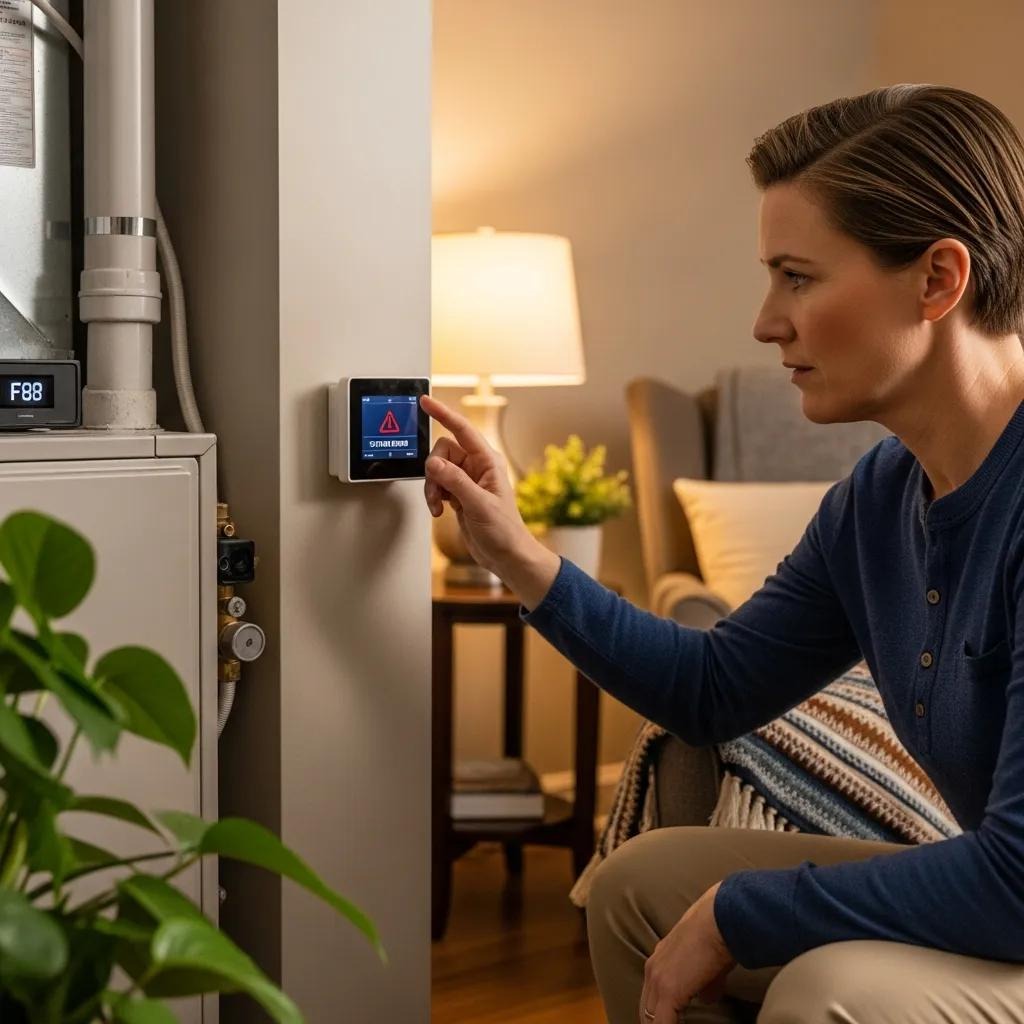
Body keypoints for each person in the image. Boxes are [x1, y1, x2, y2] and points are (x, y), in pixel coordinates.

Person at [419, 83, 1024, 1023]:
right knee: (638, 888)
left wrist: (748, 913)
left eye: (798, 276)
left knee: (831, 992)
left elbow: (1019, 878)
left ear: (939, 280)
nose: (765, 321)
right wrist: (519, 556)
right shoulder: (878, 499)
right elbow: (713, 688)